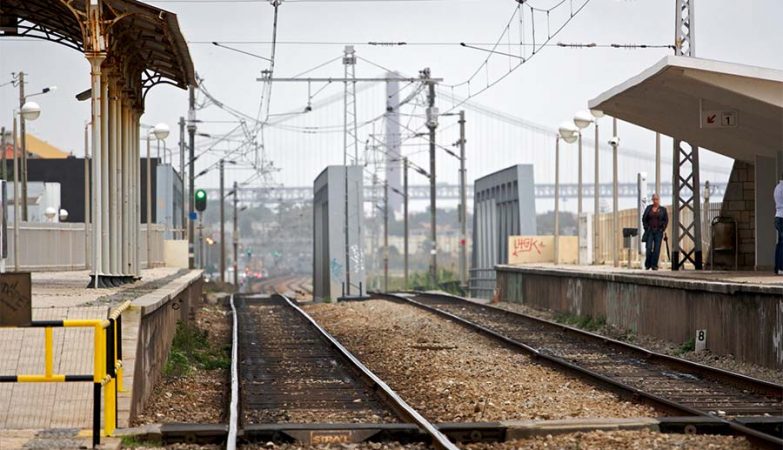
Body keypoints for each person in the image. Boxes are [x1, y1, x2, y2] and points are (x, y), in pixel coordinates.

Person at [642, 193, 668, 270]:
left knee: (657, 249)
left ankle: (654, 265)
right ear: (652, 200)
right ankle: (647, 264)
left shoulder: (663, 209)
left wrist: (662, 228)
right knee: (649, 248)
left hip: (658, 231)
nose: (655, 201)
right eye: (654, 199)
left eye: (656, 199)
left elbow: (666, 220)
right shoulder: (648, 208)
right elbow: (644, 218)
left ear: (658, 200)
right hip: (650, 231)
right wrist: (646, 227)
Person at [775, 174, 783, 275]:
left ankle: (777, 267)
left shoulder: (777, 187)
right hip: (782, 217)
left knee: (780, 243)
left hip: (778, 216)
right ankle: (781, 267)